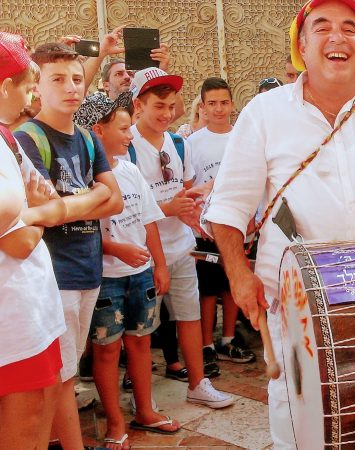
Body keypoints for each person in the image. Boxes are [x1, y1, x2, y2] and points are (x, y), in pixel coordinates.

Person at [204, 0, 355, 447]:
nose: (338, 37)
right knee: (299, 424)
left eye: (349, 28)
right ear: (302, 44)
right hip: (294, 306)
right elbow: (227, 209)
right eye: (322, 27)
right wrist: (239, 275)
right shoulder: (264, 113)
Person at [14, 42, 124, 450]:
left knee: (68, 373)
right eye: (57, 79)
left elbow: (114, 200)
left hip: (87, 267)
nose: (71, 87)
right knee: (56, 379)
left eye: (77, 78)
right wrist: (91, 198)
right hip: (53, 275)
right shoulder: (28, 138)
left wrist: (69, 205)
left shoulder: (87, 138)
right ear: (36, 86)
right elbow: (45, 212)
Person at [128, 67, 234, 408]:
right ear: (138, 105)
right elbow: (126, 208)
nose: (167, 114)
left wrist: (198, 209)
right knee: (141, 332)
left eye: (172, 106)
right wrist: (169, 208)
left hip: (181, 249)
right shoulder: (126, 146)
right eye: (159, 106)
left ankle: (198, 382)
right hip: (143, 256)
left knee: (189, 316)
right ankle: (142, 402)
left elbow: (185, 196)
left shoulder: (178, 143)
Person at [88, 93, 181, 447]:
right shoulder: (88, 179)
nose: (130, 135)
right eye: (124, 128)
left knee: (141, 344)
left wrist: (159, 265)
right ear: (99, 130)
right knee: (108, 351)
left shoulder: (130, 171)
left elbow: (149, 220)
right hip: (106, 279)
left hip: (139, 275)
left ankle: (146, 410)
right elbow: (82, 236)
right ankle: (114, 422)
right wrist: (115, 249)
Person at [0, 35, 67, 450]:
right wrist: (38, 216)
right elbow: (18, 242)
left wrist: (34, 214)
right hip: (13, 317)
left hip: (31, 312)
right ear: (5, 85)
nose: (30, 100)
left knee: (41, 412)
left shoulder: (8, 139)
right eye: (27, 88)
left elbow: (54, 202)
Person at [188, 77, 256, 371]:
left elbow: (253, 184)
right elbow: (189, 187)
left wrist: (251, 224)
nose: (218, 109)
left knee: (232, 285)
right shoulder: (192, 143)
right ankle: (205, 344)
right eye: (212, 103)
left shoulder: (242, 139)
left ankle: (227, 338)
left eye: (224, 103)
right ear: (202, 107)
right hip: (204, 230)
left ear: (232, 104)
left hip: (239, 227)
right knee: (207, 290)